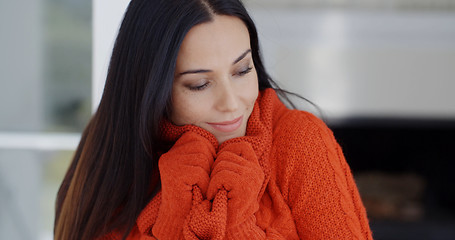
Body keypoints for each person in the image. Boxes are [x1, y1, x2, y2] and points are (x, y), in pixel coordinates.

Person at [54, 0, 373, 239]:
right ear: (151, 86)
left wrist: (235, 219)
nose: (232, 104)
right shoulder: (109, 160)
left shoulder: (299, 142)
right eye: (199, 84)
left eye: (242, 70)